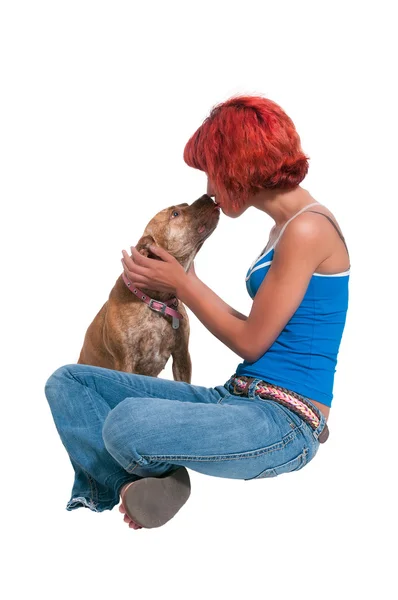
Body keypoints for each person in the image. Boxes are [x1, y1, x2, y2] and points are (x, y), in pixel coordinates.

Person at [45, 95, 350, 530]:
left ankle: (147, 479)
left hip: (285, 422)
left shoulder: (307, 228)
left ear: (237, 166)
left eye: (211, 170)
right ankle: (137, 487)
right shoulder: (285, 227)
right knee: (68, 381)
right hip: (239, 396)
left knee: (127, 422)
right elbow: (258, 329)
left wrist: (181, 284)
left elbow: (250, 341)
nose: (208, 186)